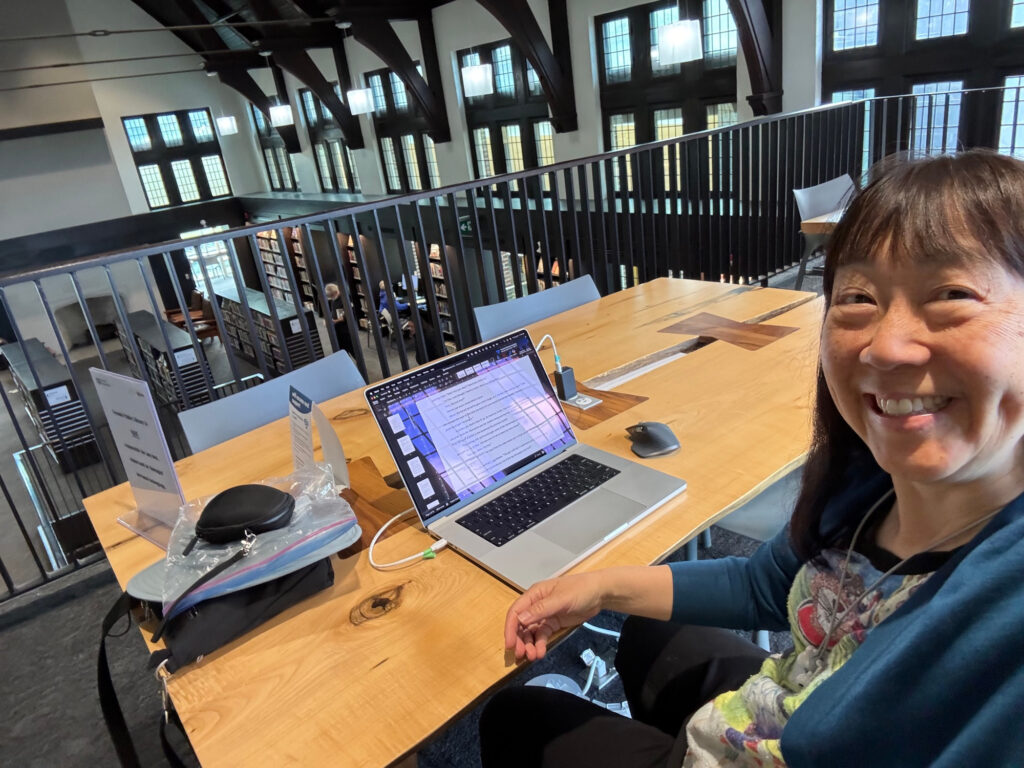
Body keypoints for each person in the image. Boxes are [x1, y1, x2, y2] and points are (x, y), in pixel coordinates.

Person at [479, 149, 1024, 767]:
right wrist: (600, 587)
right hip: (776, 705)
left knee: (519, 715)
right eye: (858, 298)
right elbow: (764, 585)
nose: (887, 346)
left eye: (951, 293)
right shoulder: (868, 481)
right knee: (647, 628)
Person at [323, 282, 355, 355]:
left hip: (346, 330)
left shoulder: (346, 299)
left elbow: (348, 315)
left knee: (352, 349)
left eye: (332, 296)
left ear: (336, 292)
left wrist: (335, 321)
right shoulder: (334, 300)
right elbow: (333, 311)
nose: (331, 298)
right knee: (342, 351)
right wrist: (327, 319)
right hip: (338, 329)